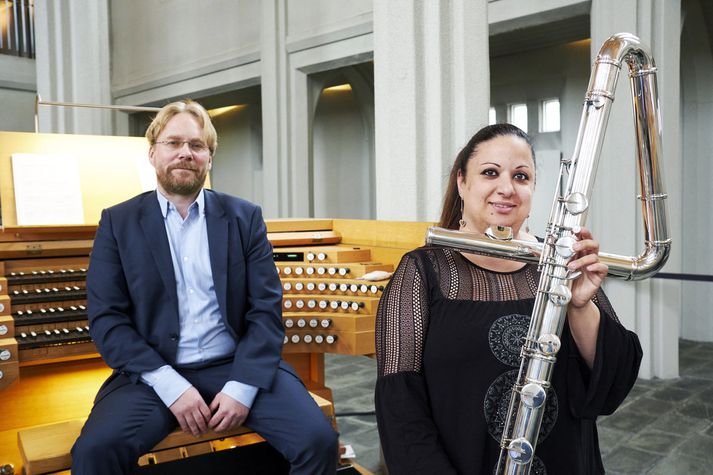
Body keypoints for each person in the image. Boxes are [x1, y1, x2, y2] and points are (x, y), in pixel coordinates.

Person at [71, 100, 337, 474]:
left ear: (209, 159)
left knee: (318, 441)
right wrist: (171, 387)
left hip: (236, 363)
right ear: (152, 153)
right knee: (94, 453)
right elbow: (107, 320)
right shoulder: (119, 222)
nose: (185, 153)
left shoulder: (244, 217)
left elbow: (265, 310)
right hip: (155, 372)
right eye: (173, 143)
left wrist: (242, 386)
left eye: (196, 145)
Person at [374, 123, 642, 475]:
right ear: (462, 182)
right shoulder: (423, 271)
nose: (506, 189)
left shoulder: (560, 264)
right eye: (490, 173)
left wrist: (579, 305)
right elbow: (400, 406)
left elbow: (613, 383)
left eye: (521, 176)